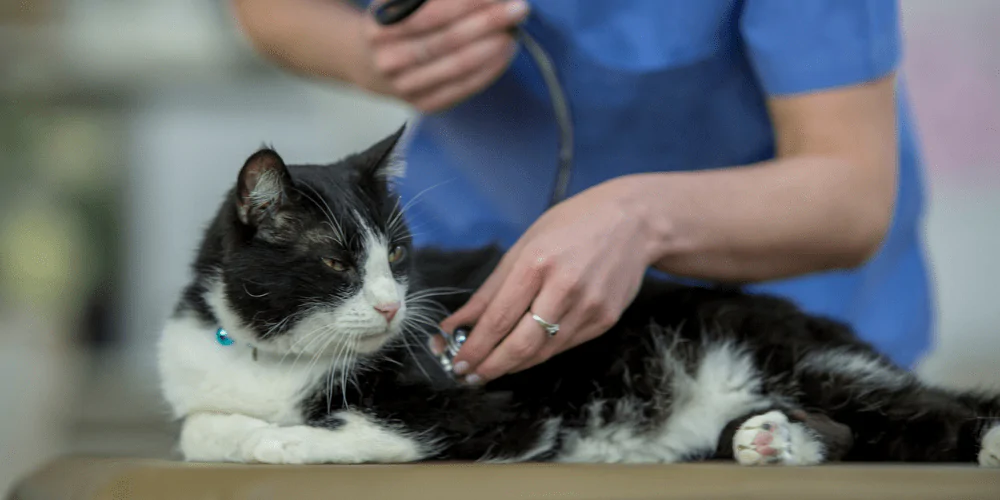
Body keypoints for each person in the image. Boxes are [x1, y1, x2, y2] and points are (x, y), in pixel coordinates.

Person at [231, 0, 932, 385]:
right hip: (466, 303)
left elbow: (849, 196)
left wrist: (640, 218)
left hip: (768, 332)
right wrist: (369, 51)